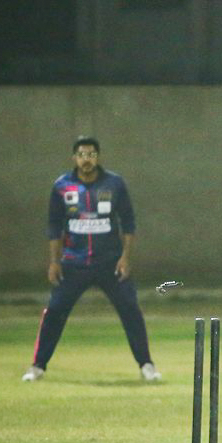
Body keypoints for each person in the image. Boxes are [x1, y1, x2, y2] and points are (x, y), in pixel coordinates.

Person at [22, 136, 162, 383]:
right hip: (73, 263)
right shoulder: (62, 186)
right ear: (74, 158)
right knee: (54, 311)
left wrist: (125, 258)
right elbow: (54, 226)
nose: (86, 160)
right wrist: (54, 261)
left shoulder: (114, 184)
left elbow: (128, 223)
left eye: (91, 155)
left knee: (130, 309)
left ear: (98, 157)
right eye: (82, 155)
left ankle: (146, 365)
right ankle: (38, 366)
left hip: (110, 263)